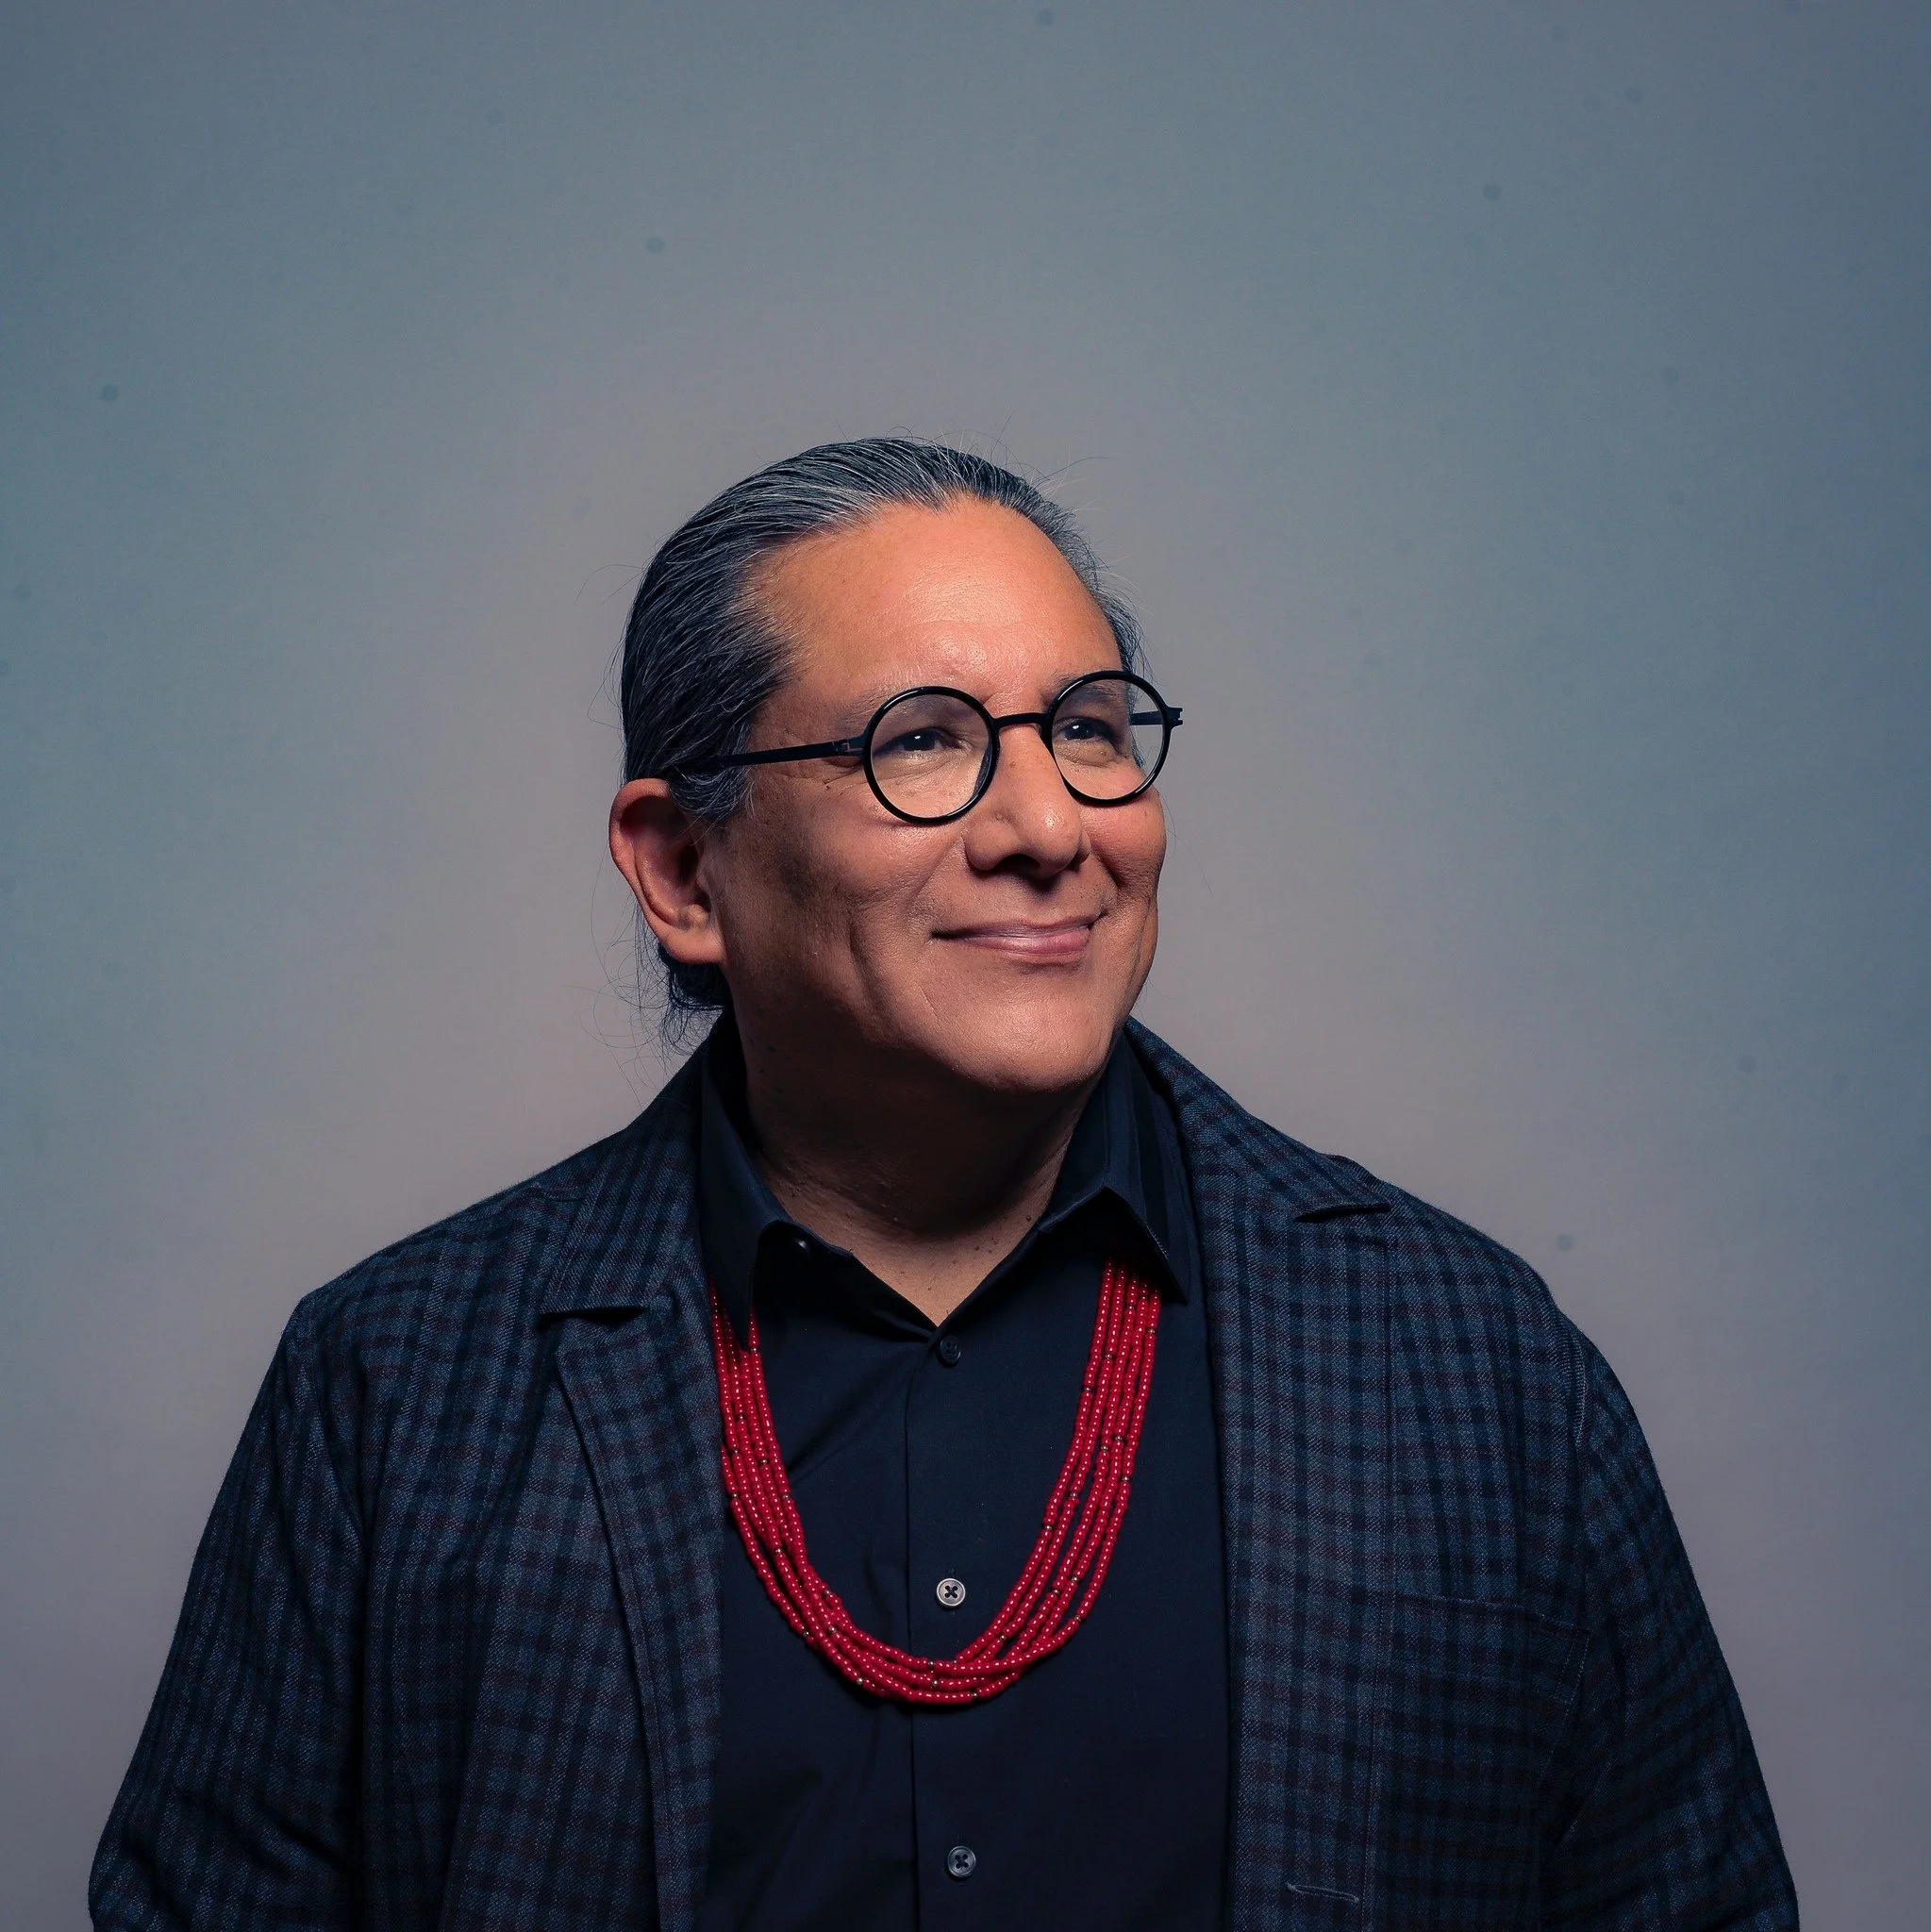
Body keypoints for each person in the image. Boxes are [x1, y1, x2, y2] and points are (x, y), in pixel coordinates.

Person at [92, 440, 1797, 1929]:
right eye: (923, 743)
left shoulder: (1464, 1364)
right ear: (685, 869)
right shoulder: (401, 1387)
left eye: (1089, 728)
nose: (1048, 823)